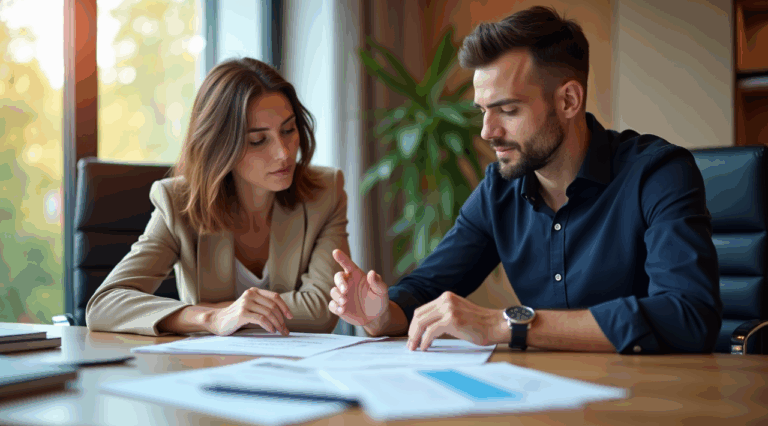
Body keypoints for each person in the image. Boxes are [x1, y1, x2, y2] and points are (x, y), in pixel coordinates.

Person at [328, 6, 722, 354]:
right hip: (540, 392)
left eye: (508, 110)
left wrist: (507, 324)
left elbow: (688, 315)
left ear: (568, 100)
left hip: (648, 395)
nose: (487, 132)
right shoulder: (499, 190)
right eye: (483, 111)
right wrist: (381, 315)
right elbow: (425, 288)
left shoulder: (658, 173)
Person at [86, 58, 349, 337]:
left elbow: (321, 310)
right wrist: (211, 317)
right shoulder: (178, 202)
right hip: (209, 360)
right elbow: (104, 305)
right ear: (220, 145)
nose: (283, 153)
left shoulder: (325, 192)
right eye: (258, 140)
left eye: (288, 130)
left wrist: (233, 311)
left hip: (298, 361)